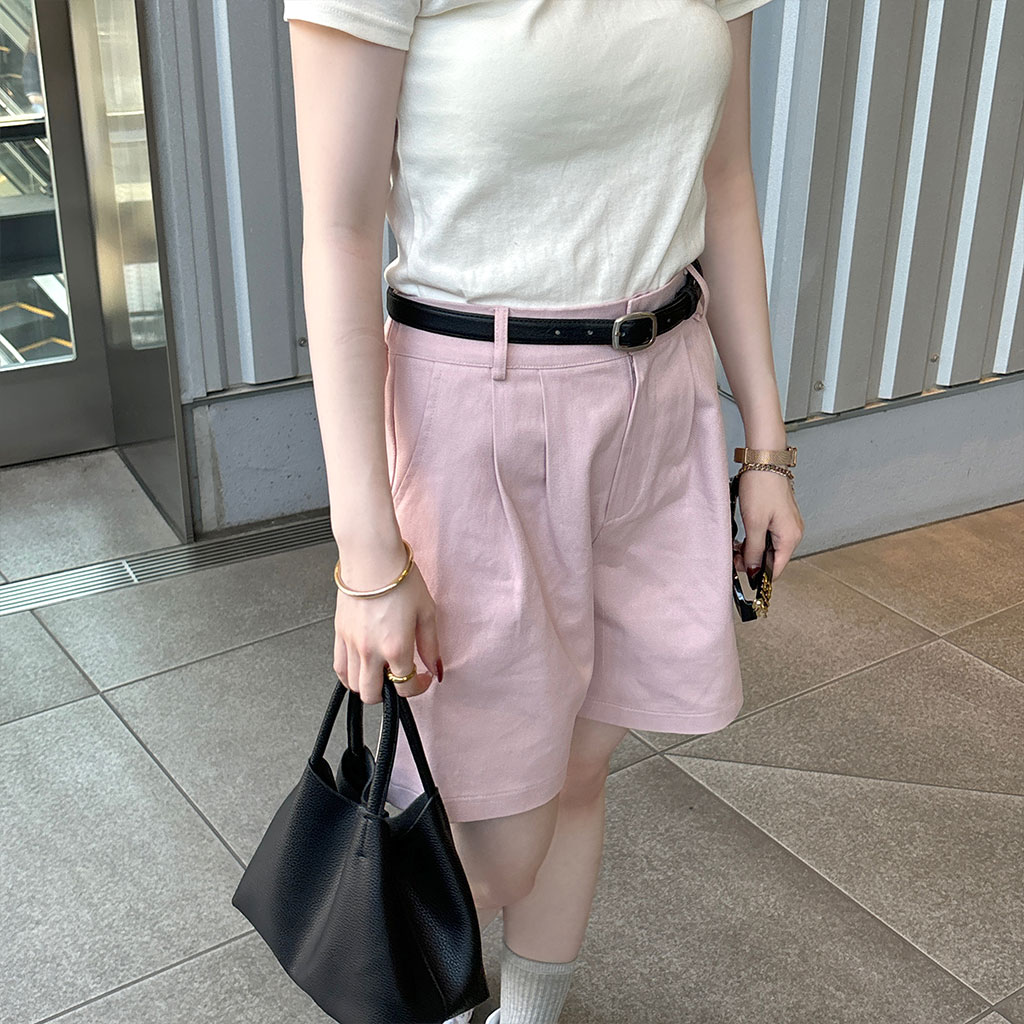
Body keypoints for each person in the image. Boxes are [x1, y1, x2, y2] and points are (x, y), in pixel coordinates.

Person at [282, 2, 804, 1022]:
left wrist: (766, 448)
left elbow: (725, 180)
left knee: (583, 765)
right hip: (479, 411)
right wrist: (368, 557)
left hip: (663, 392)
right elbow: (337, 234)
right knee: (486, 842)